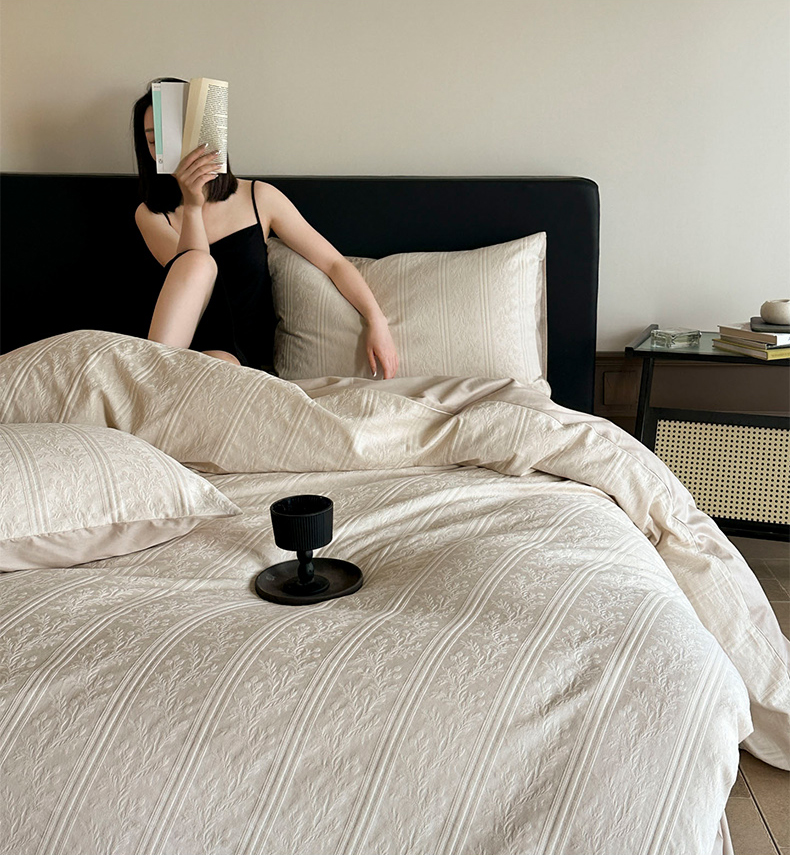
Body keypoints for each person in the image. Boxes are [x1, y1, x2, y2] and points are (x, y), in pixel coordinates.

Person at [131, 80, 398, 377]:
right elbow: (192, 275)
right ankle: (153, 377)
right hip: (179, 346)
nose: (164, 150)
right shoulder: (150, 213)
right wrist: (192, 207)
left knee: (218, 364)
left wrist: (376, 320)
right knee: (197, 263)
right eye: (153, 142)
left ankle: (153, 381)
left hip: (237, 356)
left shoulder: (259, 197)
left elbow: (334, 263)